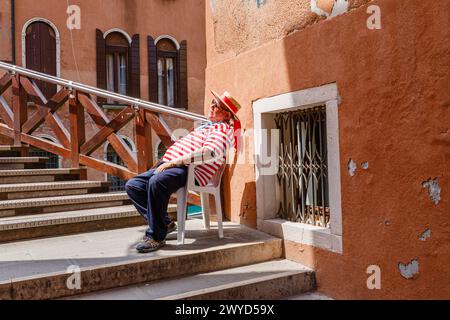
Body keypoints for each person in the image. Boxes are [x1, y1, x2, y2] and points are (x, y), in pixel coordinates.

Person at [125, 91, 241, 253]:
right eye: (212, 103)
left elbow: (210, 152)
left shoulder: (222, 129)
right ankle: (165, 224)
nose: (212, 106)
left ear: (226, 114)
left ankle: (156, 237)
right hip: (172, 166)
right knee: (133, 185)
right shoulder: (207, 127)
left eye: (216, 106)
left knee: (156, 182)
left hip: (188, 169)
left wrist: (174, 161)